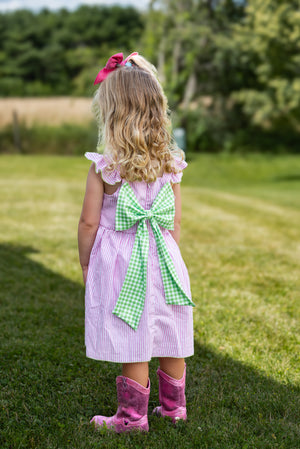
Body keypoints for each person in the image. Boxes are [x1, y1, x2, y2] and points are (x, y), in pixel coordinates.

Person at [78, 52, 195, 433]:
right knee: (168, 329)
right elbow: (175, 220)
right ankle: (174, 409)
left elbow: (88, 222)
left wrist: (85, 264)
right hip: (164, 256)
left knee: (133, 334)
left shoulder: (106, 166)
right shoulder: (171, 163)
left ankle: (131, 419)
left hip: (122, 262)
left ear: (112, 114)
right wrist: (171, 252)